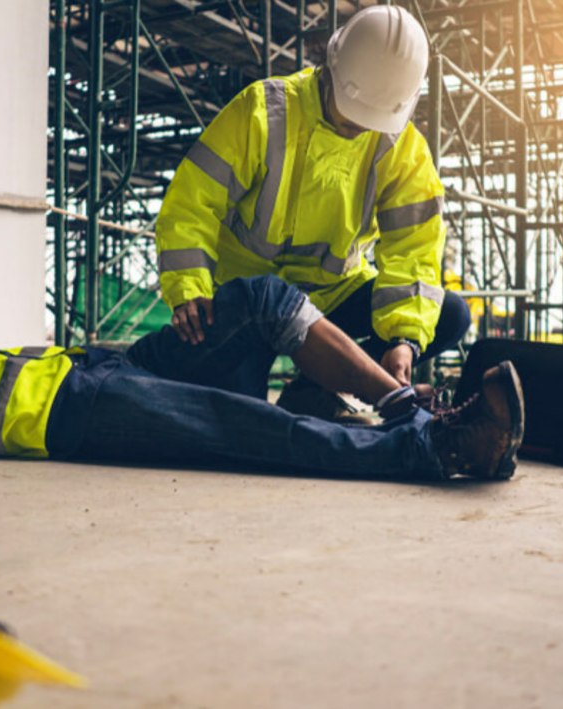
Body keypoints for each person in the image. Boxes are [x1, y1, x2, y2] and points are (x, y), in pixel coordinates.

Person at [0, 276, 525, 482]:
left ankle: (397, 404)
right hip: (80, 414)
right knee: (256, 433)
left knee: (255, 303)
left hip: (97, 367)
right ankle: (439, 448)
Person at [154, 5, 471, 419]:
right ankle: (280, 380)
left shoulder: (403, 151)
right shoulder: (264, 111)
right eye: (350, 113)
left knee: (451, 314)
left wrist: (403, 339)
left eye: (371, 120)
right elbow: (191, 203)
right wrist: (189, 290)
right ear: (330, 68)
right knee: (240, 414)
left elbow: (414, 251)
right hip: (251, 304)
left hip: (332, 299)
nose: (358, 127)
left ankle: (312, 389)